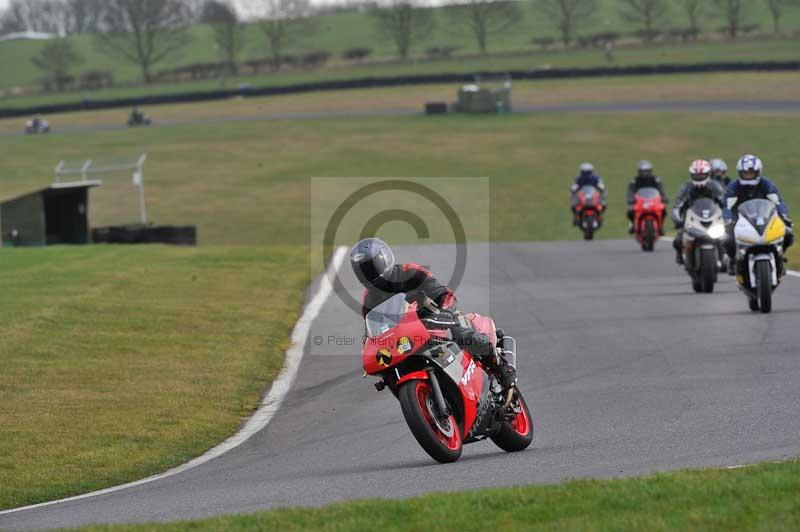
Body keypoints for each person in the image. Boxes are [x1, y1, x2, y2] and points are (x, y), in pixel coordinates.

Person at [350, 237, 517, 391]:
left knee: (462, 335)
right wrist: (370, 351)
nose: (370, 274)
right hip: (406, 338)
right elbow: (372, 332)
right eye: (363, 271)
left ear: (385, 258)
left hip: (437, 319)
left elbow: (443, 294)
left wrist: (445, 311)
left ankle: (501, 366)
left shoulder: (410, 272)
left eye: (373, 266)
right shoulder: (369, 300)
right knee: (389, 372)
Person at [723, 154, 794, 275]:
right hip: (740, 219)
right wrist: (727, 220)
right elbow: (727, 206)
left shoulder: (766, 184)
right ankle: (733, 260)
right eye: (745, 173)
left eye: (750, 173)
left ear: (758, 172)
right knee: (727, 239)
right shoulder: (733, 187)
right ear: (739, 173)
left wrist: (784, 215)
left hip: (764, 217)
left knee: (787, 233)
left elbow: (778, 202)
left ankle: (780, 256)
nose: (748, 176)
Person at [671, 159, 726, 265]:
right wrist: (677, 219)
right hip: (692, 219)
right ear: (692, 175)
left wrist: (728, 216)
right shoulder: (686, 187)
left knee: (726, 238)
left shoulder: (715, 186)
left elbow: (724, 202)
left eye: (702, 175)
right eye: (696, 175)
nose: (699, 177)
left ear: (708, 174)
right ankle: (680, 256)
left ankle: (726, 258)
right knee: (678, 240)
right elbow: (677, 206)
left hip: (712, 218)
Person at [626, 160, 669, 234]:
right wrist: (630, 199)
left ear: (650, 171)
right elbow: (630, 191)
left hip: (653, 200)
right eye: (642, 171)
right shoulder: (635, 180)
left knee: (664, 210)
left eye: (646, 171)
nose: (644, 173)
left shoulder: (656, 179)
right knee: (630, 211)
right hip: (639, 201)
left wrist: (664, 197)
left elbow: (662, 189)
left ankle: (661, 226)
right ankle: (632, 225)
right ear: (639, 171)